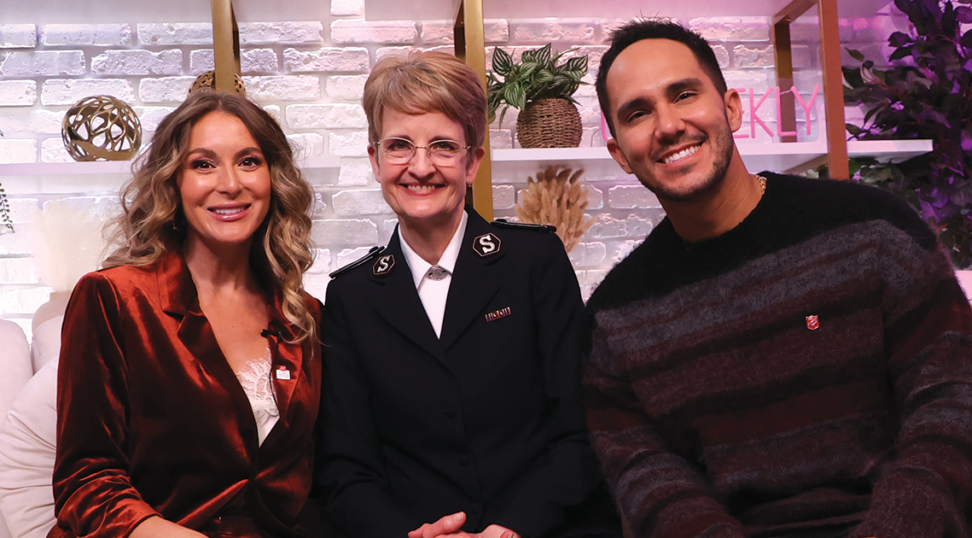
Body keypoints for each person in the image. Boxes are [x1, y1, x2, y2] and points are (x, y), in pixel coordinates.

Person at [582, 19, 972, 538]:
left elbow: (954, 404)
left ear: (731, 107)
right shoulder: (613, 319)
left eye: (684, 94)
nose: (667, 125)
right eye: (638, 113)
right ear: (621, 153)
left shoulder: (871, 229)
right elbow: (651, 483)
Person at [315, 51, 621, 538]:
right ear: (375, 161)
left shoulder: (534, 263)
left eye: (442, 146)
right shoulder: (350, 298)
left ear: (472, 161)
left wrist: (513, 528)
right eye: (399, 146)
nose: (420, 167)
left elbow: (581, 429)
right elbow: (346, 470)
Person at [49, 91, 322, 538]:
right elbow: (85, 480)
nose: (230, 183)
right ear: (172, 182)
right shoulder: (113, 298)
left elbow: (313, 478)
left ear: (274, 179)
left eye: (249, 161)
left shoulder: (303, 317)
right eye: (203, 164)